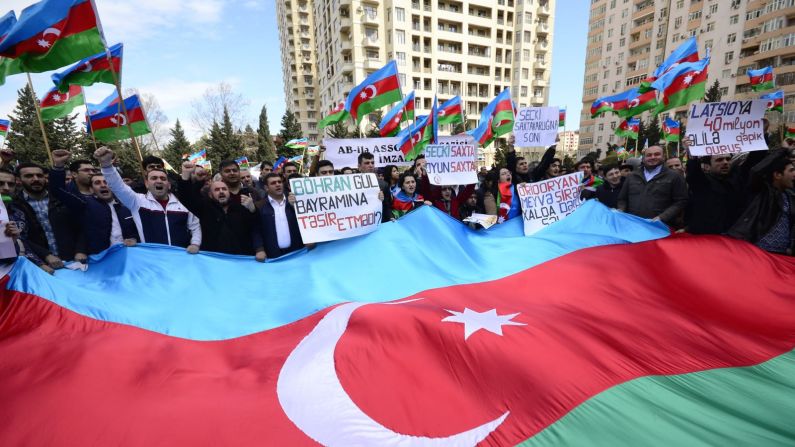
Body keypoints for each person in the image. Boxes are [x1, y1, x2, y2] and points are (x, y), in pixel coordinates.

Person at [94, 147, 201, 253]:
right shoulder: (137, 201)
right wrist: (107, 165)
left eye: (163, 179)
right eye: (154, 178)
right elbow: (118, 186)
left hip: (179, 261)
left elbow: (195, 225)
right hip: (151, 261)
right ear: (146, 184)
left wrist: (195, 243)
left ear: (168, 185)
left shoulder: (182, 204)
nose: (159, 181)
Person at [49, 150, 139, 257]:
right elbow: (58, 190)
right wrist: (58, 166)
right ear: (92, 189)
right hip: (101, 259)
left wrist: (134, 239)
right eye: (97, 183)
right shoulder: (85, 204)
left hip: (130, 256)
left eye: (107, 182)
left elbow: (139, 228)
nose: (103, 185)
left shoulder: (128, 205)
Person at [179, 161, 258, 255]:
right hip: (214, 259)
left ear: (229, 193)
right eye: (216, 190)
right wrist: (188, 177)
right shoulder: (205, 208)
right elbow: (186, 199)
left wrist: (253, 210)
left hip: (241, 259)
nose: (221, 192)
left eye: (224, 189)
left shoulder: (241, 206)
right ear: (210, 195)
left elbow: (256, 227)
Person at [13, 162, 80, 268]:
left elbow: (80, 225)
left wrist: (81, 250)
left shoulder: (62, 198)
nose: (36, 179)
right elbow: (21, 238)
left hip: (74, 261)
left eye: (39, 175)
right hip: (42, 266)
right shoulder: (14, 206)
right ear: (18, 180)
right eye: (29, 176)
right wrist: (45, 255)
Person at [728, 149, 794, 255]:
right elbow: (756, 171)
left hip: (782, 256)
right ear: (777, 175)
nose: (794, 174)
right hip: (759, 253)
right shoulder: (762, 191)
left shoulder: (790, 196)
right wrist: (782, 150)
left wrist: (791, 247)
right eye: (791, 171)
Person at [617, 145, 688, 226]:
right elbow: (622, 199)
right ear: (644, 158)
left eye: (657, 154)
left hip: (661, 227)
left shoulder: (674, 176)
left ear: (663, 157)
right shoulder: (632, 176)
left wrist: (662, 217)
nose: (652, 157)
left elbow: (681, 201)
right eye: (649, 155)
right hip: (633, 225)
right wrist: (621, 210)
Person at [0, 169, 50, 272]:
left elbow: (21, 244)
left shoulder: (18, 213)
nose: (6, 188)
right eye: (0, 183)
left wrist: (39, 263)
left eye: (10, 184)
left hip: (17, 273)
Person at [253, 173, 304, 260]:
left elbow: (305, 222)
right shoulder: (259, 206)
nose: (277, 184)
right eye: (273, 183)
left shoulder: (294, 201)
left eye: (279, 182)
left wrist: (295, 208)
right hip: (273, 255)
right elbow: (256, 230)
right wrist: (259, 249)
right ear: (266, 188)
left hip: (296, 252)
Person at [358, 152, 392, 222]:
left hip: (377, 223)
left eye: (372, 163)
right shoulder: (352, 185)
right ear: (359, 166)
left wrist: (390, 217)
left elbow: (387, 207)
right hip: (358, 223)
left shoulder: (383, 185)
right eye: (367, 163)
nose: (371, 165)